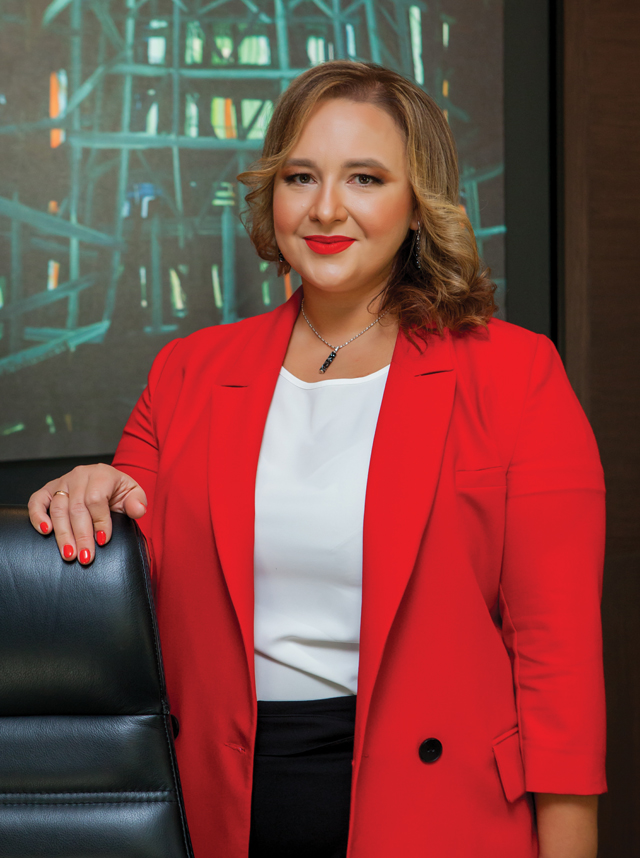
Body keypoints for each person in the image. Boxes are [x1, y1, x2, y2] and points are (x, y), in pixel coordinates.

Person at [28, 61, 606, 858]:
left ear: (418, 204)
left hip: (439, 811)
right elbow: (132, 581)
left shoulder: (514, 374)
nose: (327, 208)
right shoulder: (189, 372)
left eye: (365, 178)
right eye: (301, 176)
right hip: (220, 806)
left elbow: (559, 665)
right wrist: (90, 490)